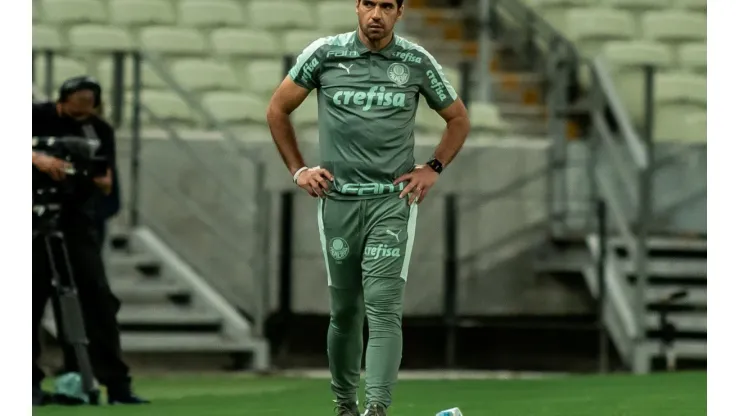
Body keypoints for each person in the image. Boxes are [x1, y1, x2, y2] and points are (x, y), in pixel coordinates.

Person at [266, 1, 470, 415]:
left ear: (400, 12)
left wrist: (432, 168)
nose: (376, 14)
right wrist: (298, 170)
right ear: (357, 8)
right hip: (337, 201)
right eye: (369, 4)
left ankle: (376, 409)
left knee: (383, 309)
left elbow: (459, 118)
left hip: (390, 202)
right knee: (344, 311)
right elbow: (277, 110)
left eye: (387, 6)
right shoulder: (324, 54)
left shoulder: (415, 61)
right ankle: (345, 407)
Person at [32, 76, 148, 406]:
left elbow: (104, 177)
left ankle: (116, 384)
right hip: (33, 219)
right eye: (78, 101)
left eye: (90, 102)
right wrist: (36, 158)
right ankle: (28, 384)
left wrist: (91, 177)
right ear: (63, 99)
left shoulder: (99, 129)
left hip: (78, 221)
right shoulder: (35, 116)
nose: (84, 109)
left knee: (97, 300)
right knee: (31, 299)